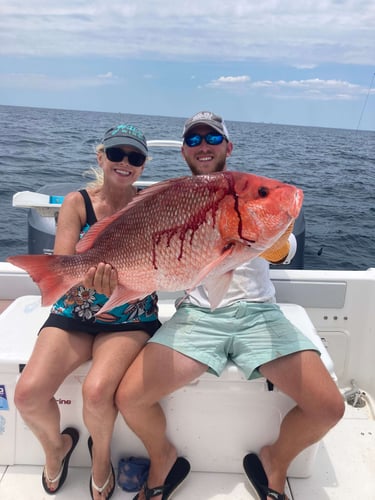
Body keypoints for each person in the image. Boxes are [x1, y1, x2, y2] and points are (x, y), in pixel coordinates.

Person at [111, 111, 345, 500]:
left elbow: (284, 253)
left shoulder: (249, 190)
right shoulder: (174, 198)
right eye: (194, 140)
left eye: (213, 139)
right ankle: (163, 456)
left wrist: (268, 234)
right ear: (185, 151)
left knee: (329, 408)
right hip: (198, 316)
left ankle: (276, 461)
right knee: (129, 398)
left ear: (228, 147)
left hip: (258, 314)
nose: (203, 146)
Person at [14, 124, 161, 500]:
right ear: (101, 158)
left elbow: (159, 261)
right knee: (27, 395)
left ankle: (100, 461)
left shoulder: (150, 203)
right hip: (74, 313)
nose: (125, 162)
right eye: (116, 154)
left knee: (97, 392)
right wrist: (88, 279)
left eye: (135, 157)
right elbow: (64, 264)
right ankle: (56, 449)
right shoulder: (77, 202)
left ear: (143, 166)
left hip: (130, 316)